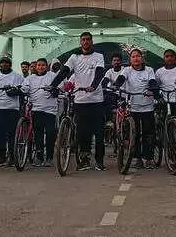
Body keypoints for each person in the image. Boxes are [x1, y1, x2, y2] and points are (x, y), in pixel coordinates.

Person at [50, 32, 107, 171]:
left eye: (88, 40)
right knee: (82, 133)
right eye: (83, 40)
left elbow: (100, 72)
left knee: (99, 133)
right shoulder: (74, 57)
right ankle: (85, 160)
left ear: (91, 41)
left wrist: (93, 86)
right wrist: (53, 84)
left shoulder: (98, 56)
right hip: (80, 101)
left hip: (96, 100)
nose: (86, 42)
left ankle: (99, 161)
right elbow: (64, 71)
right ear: (80, 42)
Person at [111, 49, 158, 169]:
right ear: (130, 59)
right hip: (133, 107)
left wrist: (152, 89)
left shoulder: (149, 70)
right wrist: (116, 86)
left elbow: (152, 82)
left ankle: (149, 158)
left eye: (138, 56)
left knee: (148, 134)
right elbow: (120, 79)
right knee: (134, 134)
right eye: (133, 56)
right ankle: (137, 158)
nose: (136, 58)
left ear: (142, 58)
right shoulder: (127, 70)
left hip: (147, 106)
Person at [0, 56, 24, 167]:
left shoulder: (17, 76)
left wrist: (14, 90)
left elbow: (23, 89)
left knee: (12, 133)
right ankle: (0, 157)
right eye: (2, 63)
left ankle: (12, 157)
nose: (4, 65)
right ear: (0, 65)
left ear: (10, 64)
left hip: (12, 108)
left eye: (6, 63)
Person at [21, 58, 58, 167]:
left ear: (46, 66)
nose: (40, 67)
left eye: (43, 65)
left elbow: (59, 88)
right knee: (38, 134)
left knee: (51, 133)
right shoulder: (30, 78)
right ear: (36, 67)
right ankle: (40, 157)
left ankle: (50, 157)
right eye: (38, 65)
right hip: (36, 110)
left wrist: (54, 90)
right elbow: (25, 88)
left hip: (50, 110)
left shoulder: (52, 76)